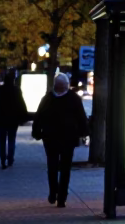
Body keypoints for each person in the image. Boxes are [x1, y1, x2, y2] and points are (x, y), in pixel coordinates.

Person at [33, 72, 89, 207]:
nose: (60, 88)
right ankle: (59, 194)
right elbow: (81, 117)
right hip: (63, 137)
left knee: (54, 167)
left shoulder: (48, 98)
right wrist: (83, 132)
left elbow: (39, 115)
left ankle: (57, 193)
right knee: (62, 168)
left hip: (55, 137)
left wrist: (37, 131)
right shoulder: (73, 98)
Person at [0, 71, 29, 169]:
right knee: (11, 139)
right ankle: (10, 158)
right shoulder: (16, 90)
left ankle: (2, 159)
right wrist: (24, 116)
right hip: (13, 119)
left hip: (1, 119)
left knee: (2, 140)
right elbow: (21, 103)